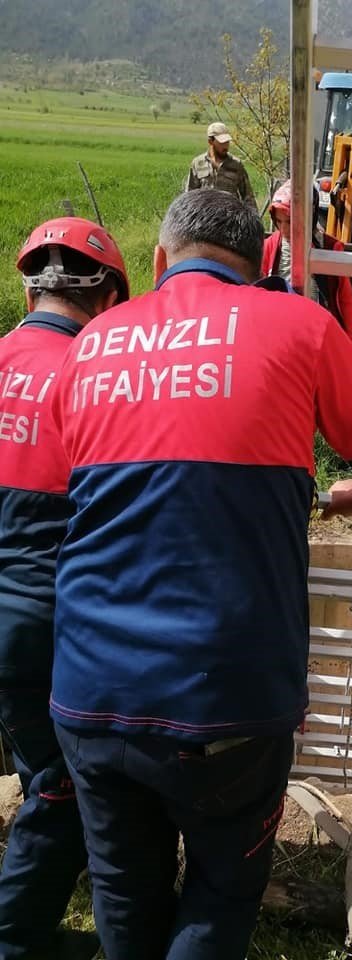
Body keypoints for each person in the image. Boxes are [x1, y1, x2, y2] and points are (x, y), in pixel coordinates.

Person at [49, 190, 352, 960]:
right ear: (262, 264)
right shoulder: (301, 326)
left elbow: (76, 495)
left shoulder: (88, 346)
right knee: (220, 890)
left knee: (123, 885)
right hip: (229, 701)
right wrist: (351, 497)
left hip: (90, 690)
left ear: (157, 263)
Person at [0, 217, 129, 960]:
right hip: (43, 621)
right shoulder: (93, 377)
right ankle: (16, 938)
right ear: (109, 297)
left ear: (29, 288)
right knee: (63, 787)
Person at [262, 179, 352, 349]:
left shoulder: (330, 248)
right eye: (279, 222)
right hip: (280, 333)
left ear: (308, 216)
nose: (284, 229)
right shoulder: (270, 247)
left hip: (318, 334)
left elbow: (345, 302)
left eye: (290, 222)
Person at [185, 121, 257, 211]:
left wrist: (254, 220)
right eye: (222, 142)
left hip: (230, 217)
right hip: (205, 218)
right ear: (210, 141)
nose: (226, 146)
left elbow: (248, 197)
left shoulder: (236, 165)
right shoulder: (198, 163)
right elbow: (189, 195)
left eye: (227, 142)